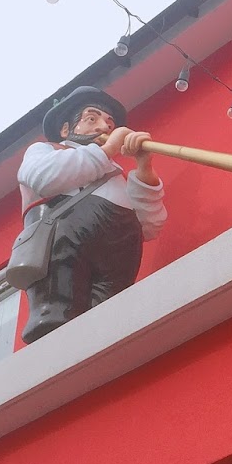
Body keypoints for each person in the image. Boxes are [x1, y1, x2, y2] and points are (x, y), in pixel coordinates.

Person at [17, 86, 167, 344]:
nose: (104, 127)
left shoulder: (113, 174)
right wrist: (109, 149)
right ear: (66, 129)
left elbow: (149, 225)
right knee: (58, 321)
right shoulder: (47, 151)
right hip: (64, 245)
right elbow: (45, 178)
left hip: (117, 255)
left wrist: (144, 165)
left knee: (107, 327)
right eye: (91, 118)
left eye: (110, 123)